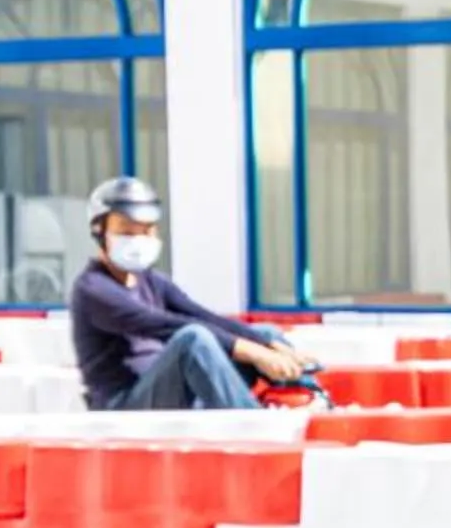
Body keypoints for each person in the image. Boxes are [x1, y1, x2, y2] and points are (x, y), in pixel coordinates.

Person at [67, 176, 310, 411]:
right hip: (125, 405)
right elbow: (163, 325)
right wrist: (255, 352)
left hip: (171, 391)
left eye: (146, 230)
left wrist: (268, 345)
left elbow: (203, 316)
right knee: (193, 340)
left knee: (266, 333)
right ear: (100, 231)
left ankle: (308, 398)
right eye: (126, 230)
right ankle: (254, 425)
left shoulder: (152, 281)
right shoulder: (93, 289)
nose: (138, 239)